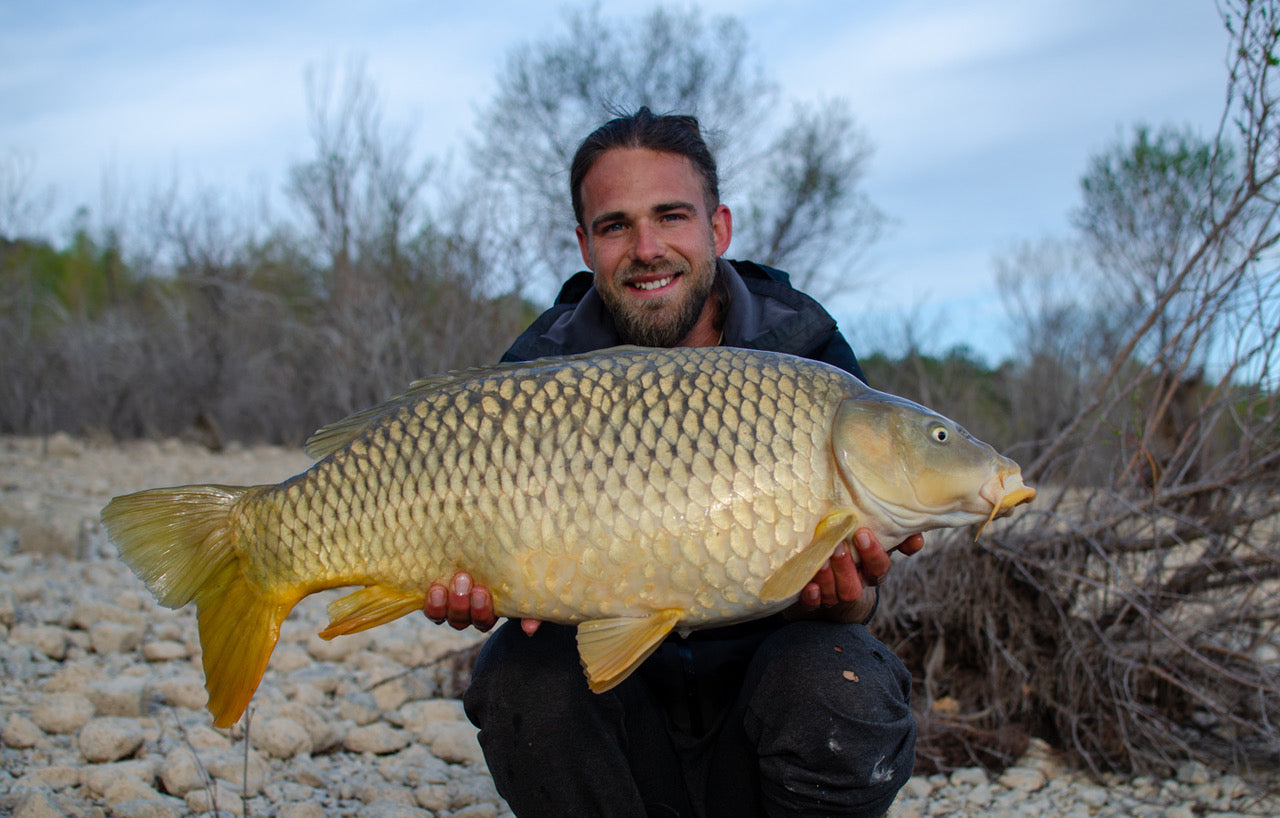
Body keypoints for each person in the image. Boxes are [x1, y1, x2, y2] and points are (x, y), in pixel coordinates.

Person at [423, 108, 921, 817]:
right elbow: (476, 564)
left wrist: (851, 598)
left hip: (758, 729)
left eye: (671, 216)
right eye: (616, 225)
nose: (647, 247)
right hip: (620, 737)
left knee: (841, 675)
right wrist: (472, 584)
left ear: (717, 228)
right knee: (519, 674)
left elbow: (868, 596)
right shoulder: (536, 375)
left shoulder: (805, 353)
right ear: (585, 244)